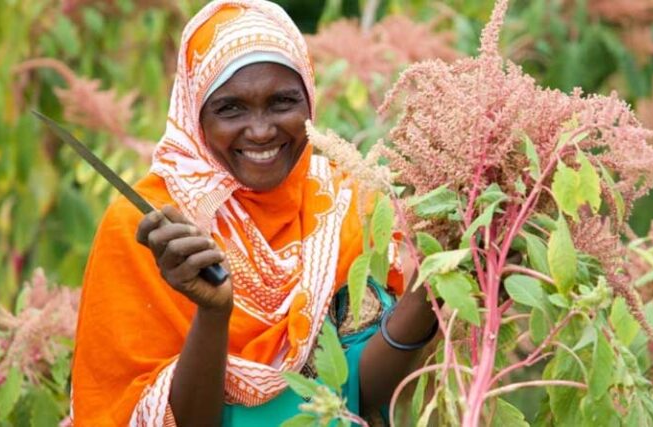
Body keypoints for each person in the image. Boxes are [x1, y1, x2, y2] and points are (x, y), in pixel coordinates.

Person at [70, 0, 439, 425]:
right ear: (194, 115)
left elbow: (360, 393)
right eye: (230, 108)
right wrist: (213, 314)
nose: (261, 131)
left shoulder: (348, 203)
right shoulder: (152, 227)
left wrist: (434, 283)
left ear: (309, 102)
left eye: (282, 102)